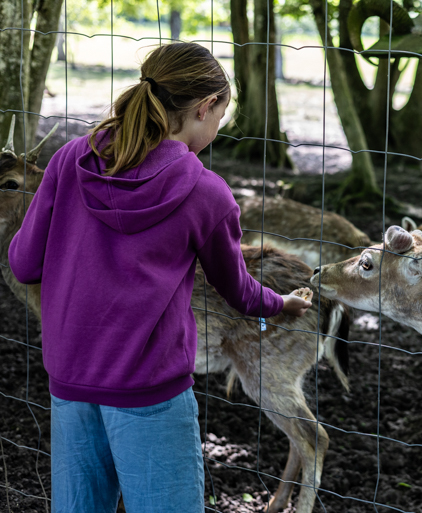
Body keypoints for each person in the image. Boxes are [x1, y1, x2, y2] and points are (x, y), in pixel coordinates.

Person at [8, 42, 312, 512]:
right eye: (220, 118)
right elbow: (238, 291)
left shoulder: (69, 160)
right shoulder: (208, 194)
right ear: (205, 106)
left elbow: (25, 264)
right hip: (150, 391)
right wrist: (282, 303)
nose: (215, 129)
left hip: (69, 382)